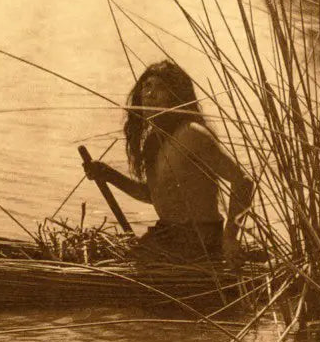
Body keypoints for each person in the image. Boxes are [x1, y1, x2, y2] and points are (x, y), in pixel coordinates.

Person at [83, 60, 254, 263]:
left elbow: (243, 180)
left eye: (160, 88)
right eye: (147, 86)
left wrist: (230, 237)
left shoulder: (192, 133)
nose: (149, 94)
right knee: (118, 261)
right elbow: (152, 195)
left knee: (126, 268)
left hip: (199, 239)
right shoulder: (153, 141)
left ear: (176, 96)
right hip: (167, 234)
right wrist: (108, 174)